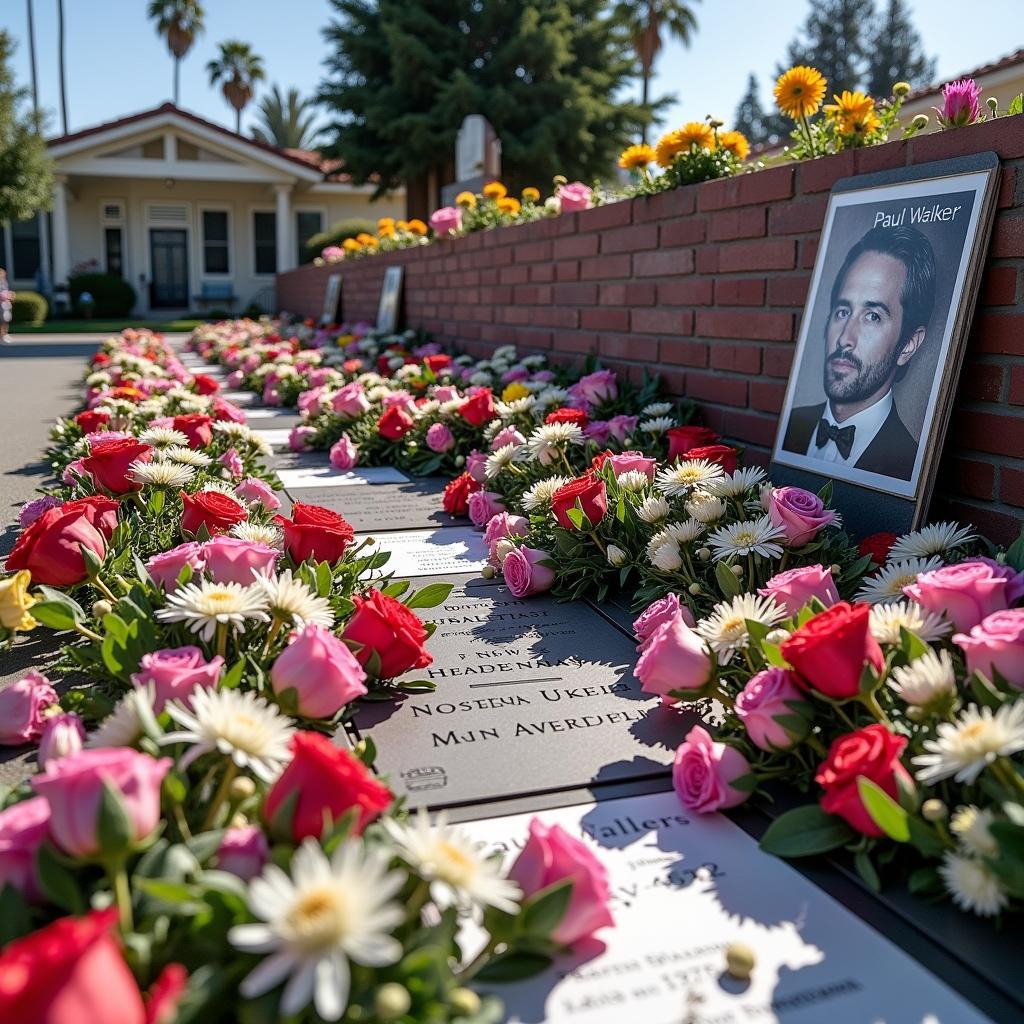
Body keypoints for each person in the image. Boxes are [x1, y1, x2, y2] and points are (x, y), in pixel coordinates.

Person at [781, 225, 937, 481]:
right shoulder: (791, 427)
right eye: (843, 312)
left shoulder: (909, 467)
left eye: (872, 316)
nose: (844, 339)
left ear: (908, 344)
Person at [0, 268, 13, 343]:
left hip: (5, 305)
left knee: (5, 320)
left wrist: (10, 295)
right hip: (1, 305)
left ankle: (4, 334)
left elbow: (5, 291)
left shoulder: (4, 282)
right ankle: (2, 335)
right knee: (1, 320)